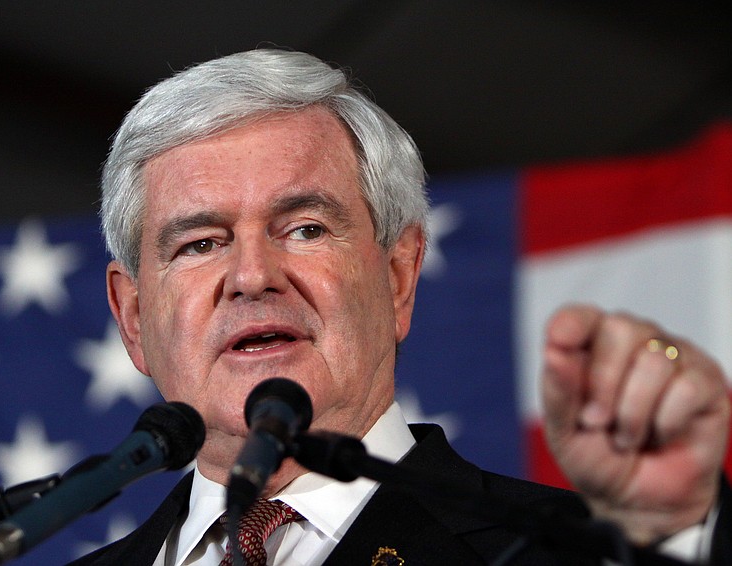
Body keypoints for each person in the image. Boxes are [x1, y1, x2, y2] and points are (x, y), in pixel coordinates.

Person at [70, 48, 731, 565]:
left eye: (304, 228)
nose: (251, 276)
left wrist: (671, 535)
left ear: (398, 277)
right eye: (201, 243)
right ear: (132, 316)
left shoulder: (567, 551)